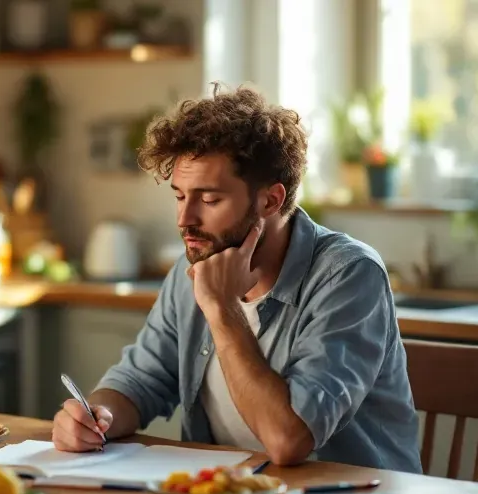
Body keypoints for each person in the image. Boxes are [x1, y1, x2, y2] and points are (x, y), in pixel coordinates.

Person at [51, 84, 422, 473]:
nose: (185, 220)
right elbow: (142, 380)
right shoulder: (194, 265)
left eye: (209, 200)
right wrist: (96, 418)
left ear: (271, 201)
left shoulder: (348, 276)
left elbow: (288, 440)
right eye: (180, 196)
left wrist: (221, 308)